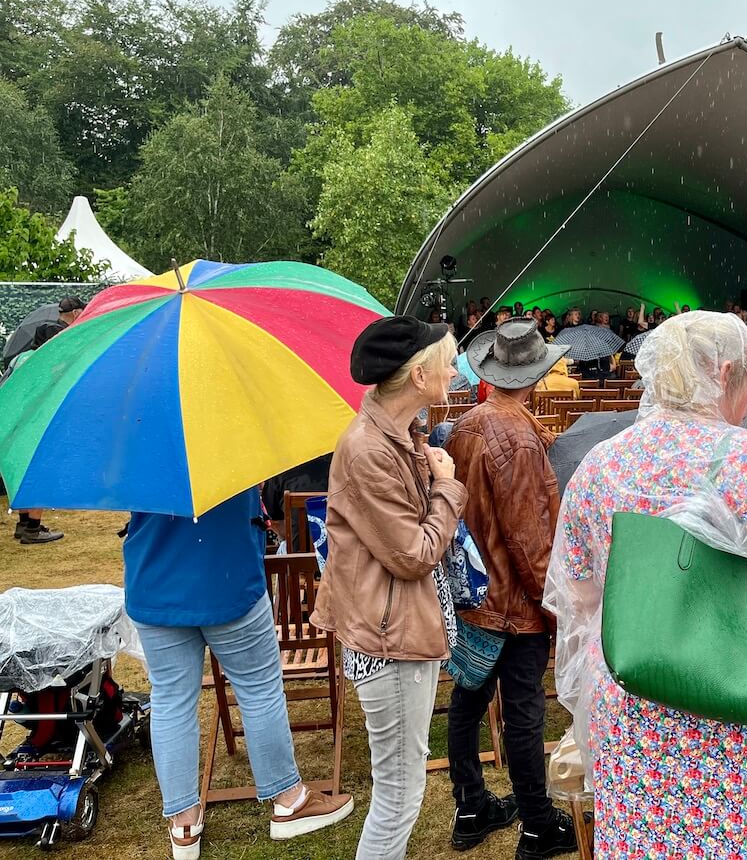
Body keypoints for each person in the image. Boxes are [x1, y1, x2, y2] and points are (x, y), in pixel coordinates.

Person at [544, 311, 747, 858]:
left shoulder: (602, 463)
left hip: (636, 695)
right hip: (740, 687)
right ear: (722, 372)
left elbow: (579, 597)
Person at [125, 488, 353, 860]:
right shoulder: (232, 434)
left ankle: (184, 823)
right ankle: (288, 799)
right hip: (226, 577)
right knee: (258, 688)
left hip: (155, 579)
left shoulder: (137, 436)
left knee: (171, 700)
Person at [311, 315, 464, 859]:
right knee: (400, 795)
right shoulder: (369, 449)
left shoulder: (396, 436)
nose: (453, 366)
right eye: (445, 358)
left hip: (399, 630)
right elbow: (413, 555)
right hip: (390, 642)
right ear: (419, 375)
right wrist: (446, 488)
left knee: (402, 789)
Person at [444, 319, 578, 858]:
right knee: (523, 712)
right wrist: (554, 606)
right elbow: (528, 539)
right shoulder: (516, 438)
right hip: (513, 602)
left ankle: (471, 808)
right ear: (538, 373)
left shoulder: (466, 425)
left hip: (475, 592)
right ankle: (538, 826)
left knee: (468, 701)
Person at [9, 297, 86, 544]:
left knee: (22, 469)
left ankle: (23, 525)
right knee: (39, 470)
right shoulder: (48, 364)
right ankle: (33, 528)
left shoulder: (19, 359)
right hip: (37, 422)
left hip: (14, 422)